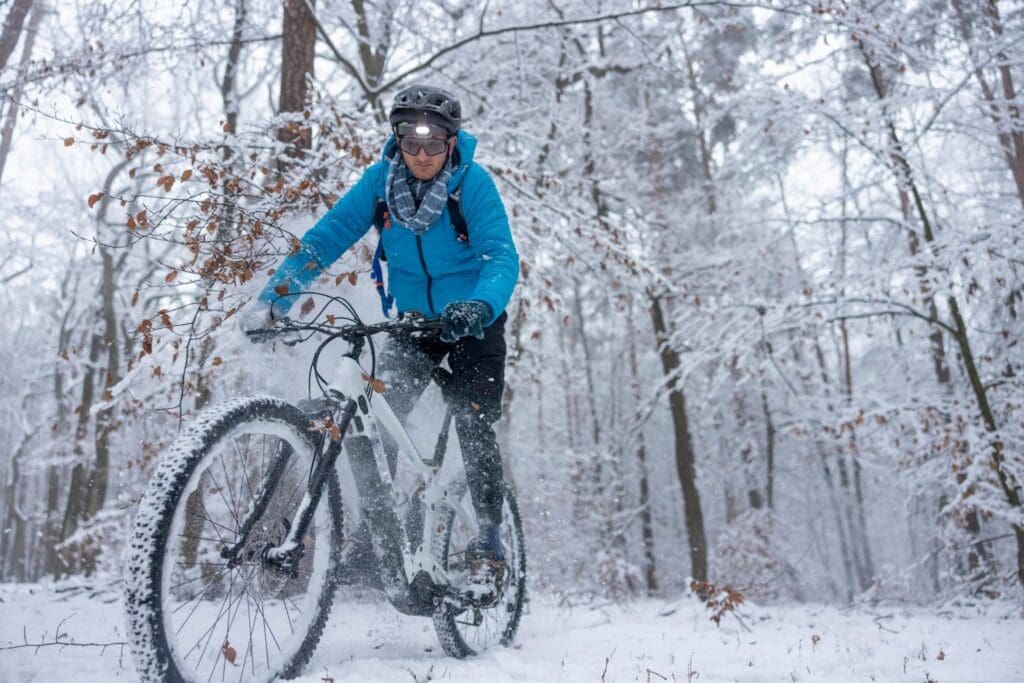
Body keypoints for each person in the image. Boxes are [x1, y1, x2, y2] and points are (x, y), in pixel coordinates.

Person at [243, 84, 519, 604]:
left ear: (452, 143)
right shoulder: (379, 184)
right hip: (413, 325)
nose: (421, 154)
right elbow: (327, 238)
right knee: (375, 419)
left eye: (434, 143)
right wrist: (276, 298)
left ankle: (488, 546)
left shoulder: (472, 186)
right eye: (410, 141)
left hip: (474, 325)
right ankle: (377, 539)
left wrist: (479, 305)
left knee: (473, 423)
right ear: (395, 140)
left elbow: (501, 257)